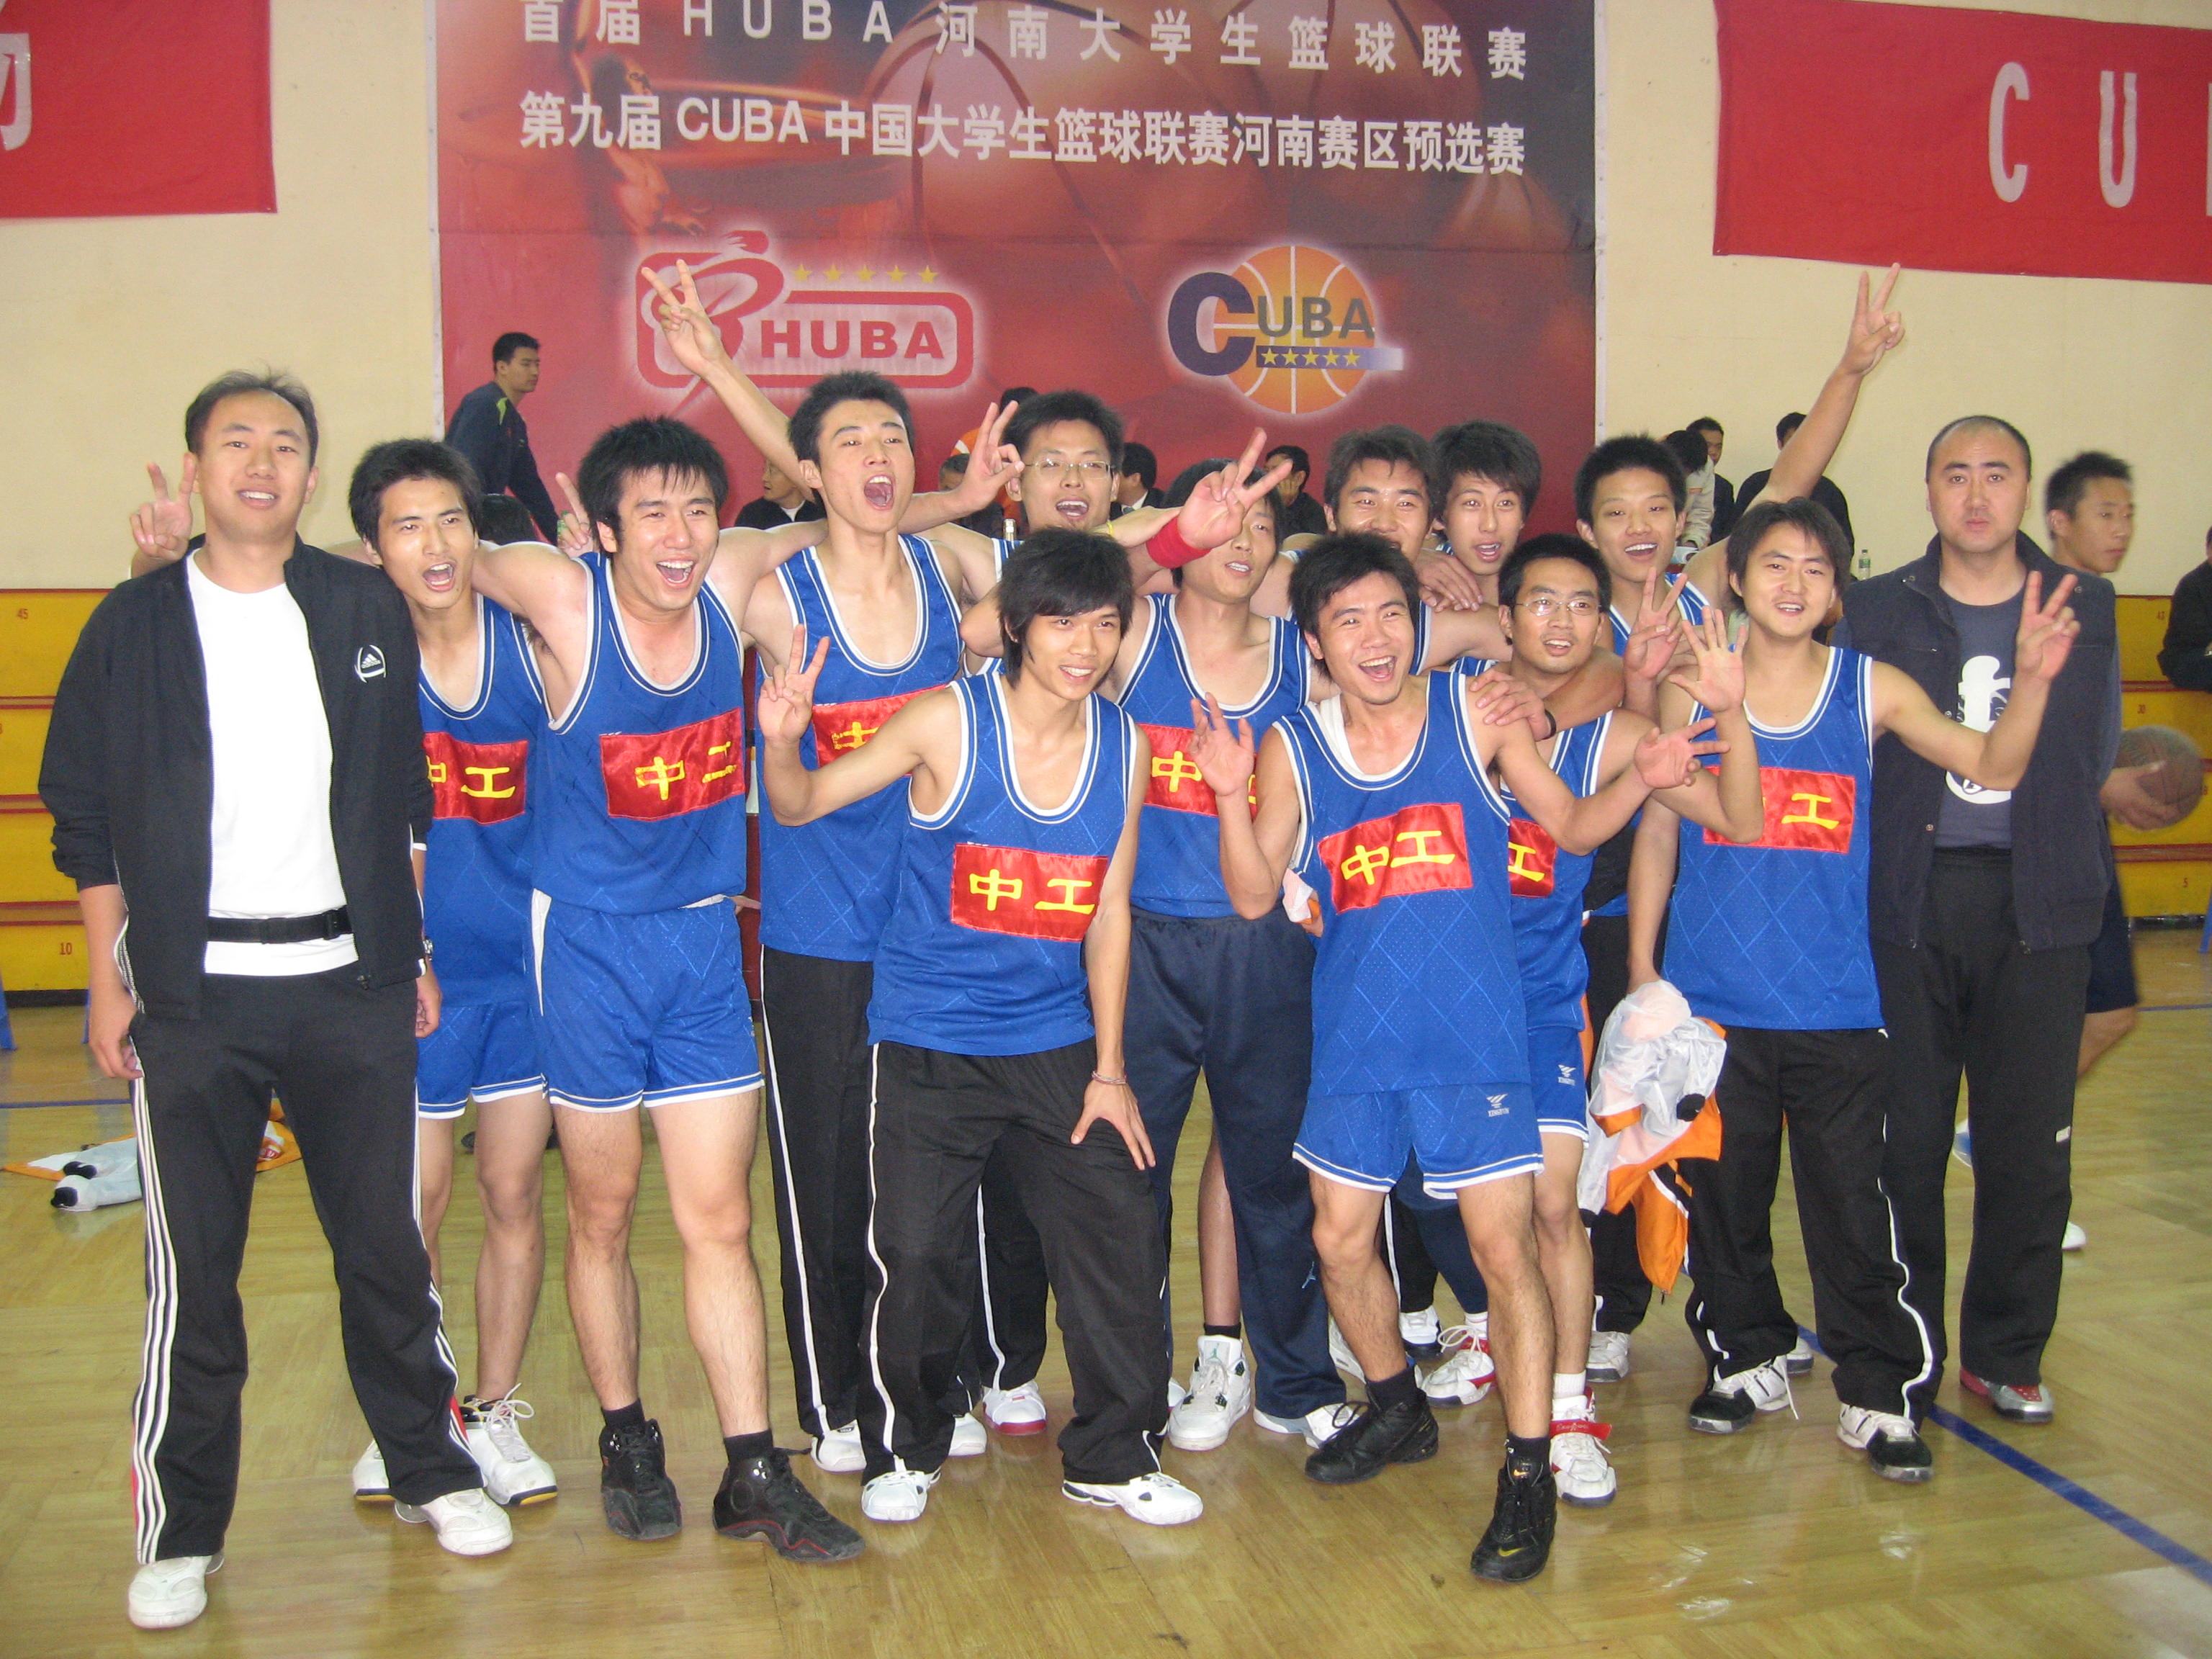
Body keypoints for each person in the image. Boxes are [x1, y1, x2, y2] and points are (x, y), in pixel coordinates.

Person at [1187, 532, 1733, 1581]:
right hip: (1357, 1036)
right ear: (1316, 643)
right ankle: (1397, 1404)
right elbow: (1255, 895)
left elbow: (1573, 826)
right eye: (1348, 620)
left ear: (1417, 626)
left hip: (1475, 1036)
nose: (1376, 638)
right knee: (1339, 1242)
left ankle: (1528, 1471)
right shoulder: (1293, 745)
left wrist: (1646, 776)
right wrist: (1223, 793)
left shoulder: (1476, 713)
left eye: (1393, 615)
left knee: (1503, 1251)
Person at [58, 373, 511, 1630]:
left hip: (348, 987)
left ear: (312, 477)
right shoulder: (134, 623)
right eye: (236, 442)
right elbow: (85, 817)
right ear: (198, 465)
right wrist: (106, 975)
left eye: (285, 445)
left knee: (386, 1251)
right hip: (192, 996)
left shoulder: (361, 606)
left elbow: (405, 798)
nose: (261, 463)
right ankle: (180, 1533)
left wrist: (410, 951)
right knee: (194, 1280)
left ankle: (431, 1468)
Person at [462, 411, 864, 1562]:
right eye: (652, 513)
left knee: (721, 1217)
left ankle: (752, 1468)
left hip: (698, 947)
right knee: (601, 1211)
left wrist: (948, 498)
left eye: (698, 508)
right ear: (603, 529)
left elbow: (845, 502)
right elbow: (430, 547)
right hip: (586, 947)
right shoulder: (561, 596)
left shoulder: (733, 578)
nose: (681, 536)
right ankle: (626, 1437)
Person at [759, 531, 1206, 1530]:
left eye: (1105, 624)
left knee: (1120, 1228)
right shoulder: (945, 723)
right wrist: (784, 742)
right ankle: (905, 1446)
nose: (1084, 645)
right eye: (1061, 622)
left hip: (1056, 1042)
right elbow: (800, 804)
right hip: (929, 1036)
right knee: (915, 1255)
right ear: (1014, 627)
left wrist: (1111, 1069)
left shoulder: (1125, 746)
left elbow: (1109, 912)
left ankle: (1112, 1455)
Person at [1635, 497, 2077, 1477]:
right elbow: (1675, 821)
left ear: (1837, 592)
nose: (1794, 584)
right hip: (1714, 999)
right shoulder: (1690, 686)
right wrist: (1644, 974)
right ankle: (1745, 1356)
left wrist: (2036, 684)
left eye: (1816, 569)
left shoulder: (1870, 686)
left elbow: (1994, 765)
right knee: (1726, 1200)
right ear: (1737, 580)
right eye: (1774, 565)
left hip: (1836, 998)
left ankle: (1877, 1390)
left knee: (1853, 1207)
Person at [1448, 534, 1761, 1506]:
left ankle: (1571, 1405)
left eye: (1582, 604)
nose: (1561, 620)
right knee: (1451, 1205)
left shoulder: (1620, 738)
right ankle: (1499, 1337)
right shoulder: (1451, 709)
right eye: (1540, 601)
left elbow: (1737, 818)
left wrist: (1725, 711)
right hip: (1437, 1002)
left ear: (1601, 623)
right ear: (1505, 617)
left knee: (1553, 1205)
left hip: (1542, 1004)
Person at [1835, 415, 2120, 1426]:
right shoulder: (1877, 606)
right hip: (1909, 900)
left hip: (2040, 903)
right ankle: (1907, 1355)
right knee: (1904, 1144)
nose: (1976, 494)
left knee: (2029, 1149)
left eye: (1997, 474)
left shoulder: (2084, 603)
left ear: (2025, 490)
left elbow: (2092, 748)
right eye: (1955, 474)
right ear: (1930, 492)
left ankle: (2007, 1353)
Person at [341, 442, 558, 1511]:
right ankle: (415, 1419)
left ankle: (494, 1409)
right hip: (414, 982)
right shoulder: (359, 660)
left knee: (513, 1192)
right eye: (407, 526)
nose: (434, 545)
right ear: (372, 547)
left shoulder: (535, 645)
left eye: (451, 521)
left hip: (526, 975)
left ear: (479, 532)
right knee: (414, 1207)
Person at [2045, 452, 2154, 1103]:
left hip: (2085, 835)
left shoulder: (2100, 602)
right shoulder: (2045, 606)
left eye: (2129, 515)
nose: (2122, 529)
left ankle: (1992, 1132)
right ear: (2060, 521)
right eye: (2107, 513)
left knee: (2111, 1014)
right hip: (2044, 845)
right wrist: (2100, 781)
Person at [446, 332, 560, 541]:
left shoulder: (514, 421)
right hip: (467, 524)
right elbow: (465, 468)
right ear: (502, 367)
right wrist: (477, 530)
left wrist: (560, 537)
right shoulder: (484, 403)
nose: (535, 371)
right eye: (526, 364)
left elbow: (530, 488)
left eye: (537, 364)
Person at [1432, 421, 1542, 606]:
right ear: (1439, 516)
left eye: (1505, 503)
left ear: (1523, 515)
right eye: (1472, 503)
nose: (1490, 525)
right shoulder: (1414, 587)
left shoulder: (1547, 588)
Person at [1735, 413, 1854, 552]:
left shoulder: (1829, 491)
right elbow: (1736, 537)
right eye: (1794, 440)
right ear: (1780, 443)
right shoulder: (1755, 485)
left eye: (1807, 440)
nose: (1801, 447)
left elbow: (1845, 543)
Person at [733, 457, 825, 529]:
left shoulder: (822, 511)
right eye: (765, 470)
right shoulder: (752, 514)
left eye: (772, 471)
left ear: (795, 478)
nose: (765, 478)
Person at [1266, 443, 1329, 540]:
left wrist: (1282, 508)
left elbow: (1291, 545)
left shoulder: (1314, 514)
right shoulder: (1260, 502)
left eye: (1276, 471)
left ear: (1299, 478)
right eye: (1266, 471)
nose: (1268, 477)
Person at [1691, 417, 1736, 536]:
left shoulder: (1724, 487)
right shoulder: (1670, 479)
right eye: (1707, 445)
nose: (1714, 452)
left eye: (1718, 447)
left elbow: (1726, 532)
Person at [1113, 441, 1164, 515]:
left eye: (1114, 475)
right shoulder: (1104, 508)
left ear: (1135, 479)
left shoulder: (1166, 507)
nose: (1107, 481)